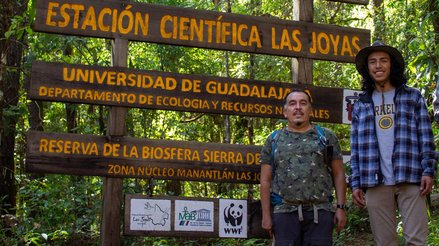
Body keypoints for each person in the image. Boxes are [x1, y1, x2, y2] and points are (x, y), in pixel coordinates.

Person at [350, 41, 437, 246]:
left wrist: (428, 171)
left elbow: (426, 136)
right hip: (375, 179)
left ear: (392, 65)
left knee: (416, 241)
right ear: (367, 68)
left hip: (410, 175)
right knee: (385, 242)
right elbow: (355, 148)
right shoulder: (361, 104)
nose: (378, 66)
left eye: (383, 60)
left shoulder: (412, 96)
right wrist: (355, 182)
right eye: (372, 62)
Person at [259, 89, 347, 245]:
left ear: (310, 110)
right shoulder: (273, 140)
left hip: (320, 212)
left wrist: (340, 207)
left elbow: (339, 174)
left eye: (303, 103)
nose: (298, 107)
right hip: (284, 213)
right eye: (292, 103)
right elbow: (265, 180)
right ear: (285, 112)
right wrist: (266, 215)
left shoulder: (326, 137)